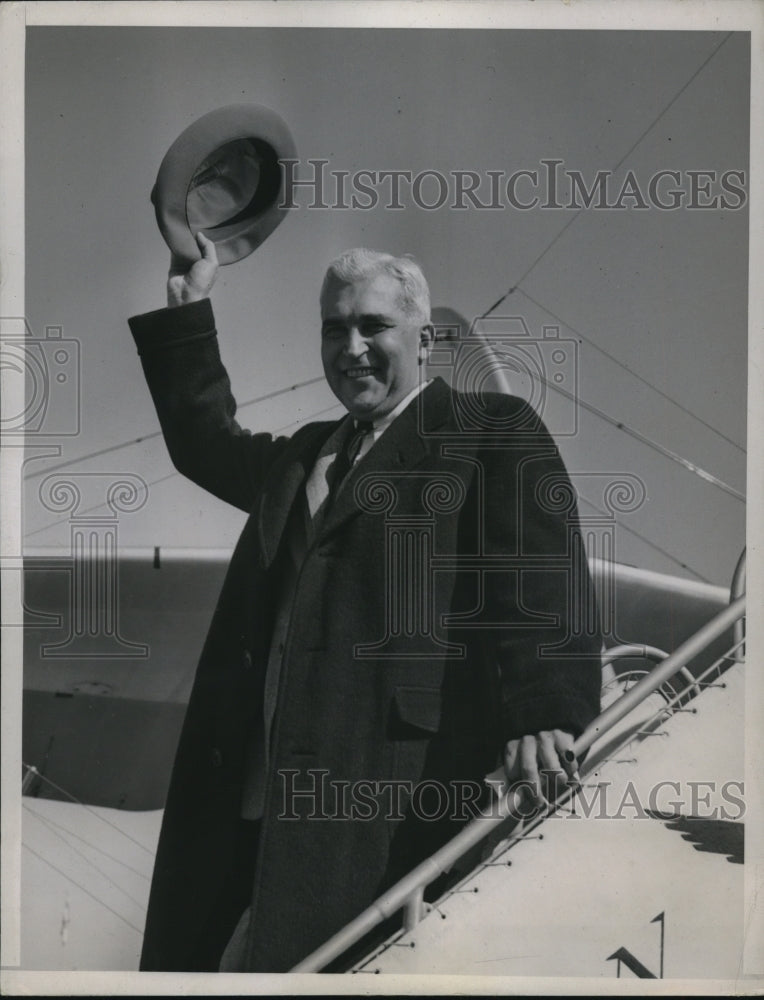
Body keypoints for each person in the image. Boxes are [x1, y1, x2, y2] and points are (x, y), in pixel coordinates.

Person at [127, 234, 602, 972]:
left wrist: (546, 707)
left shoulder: (489, 433)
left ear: (426, 337)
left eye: (373, 326)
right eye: (333, 328)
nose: (351, 348)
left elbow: (539, 573)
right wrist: (190, 310)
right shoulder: (300, 456)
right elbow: (205, 442)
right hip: (248, 811)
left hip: (383, 809)